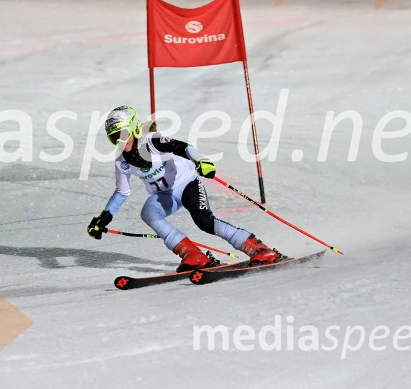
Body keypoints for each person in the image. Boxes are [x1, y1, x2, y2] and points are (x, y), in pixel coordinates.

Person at [87, 105, 283, 272]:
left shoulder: (153, 142)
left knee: (204, 221)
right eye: (114, 138)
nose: (120, 141)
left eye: (122, 134)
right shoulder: (122, 162)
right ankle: (193, 255)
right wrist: (105, 217)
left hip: (186, 183)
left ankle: (259, 249)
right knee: (149, 213)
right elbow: (122, 192)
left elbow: (183, 147)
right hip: (165, 196)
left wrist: (201, 160)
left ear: (135, 129)